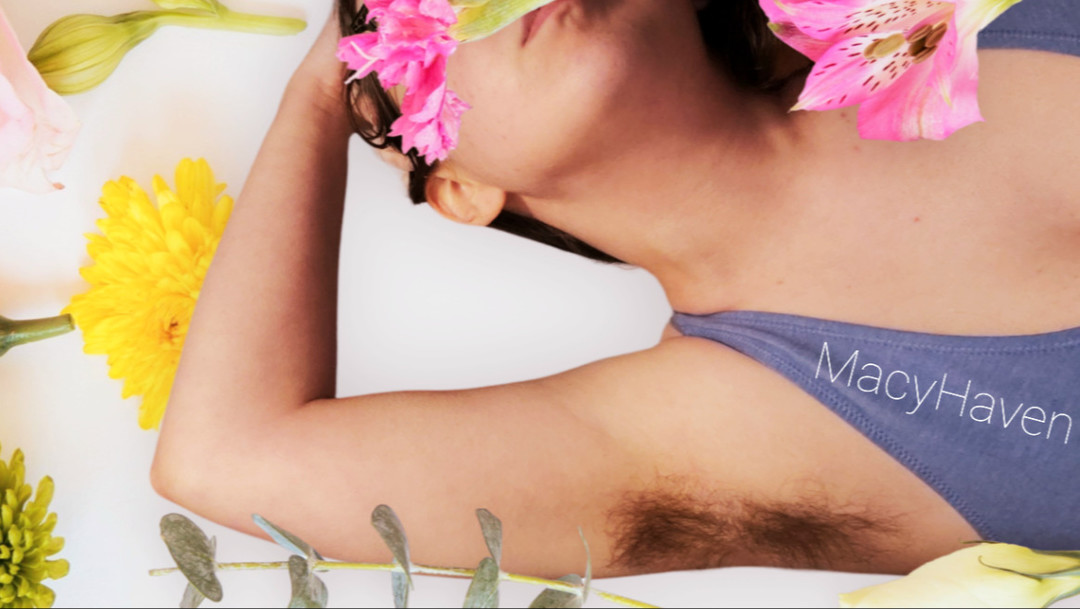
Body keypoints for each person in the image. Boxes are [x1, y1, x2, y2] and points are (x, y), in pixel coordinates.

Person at [151, 0, 1080, 578]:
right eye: (412, 19)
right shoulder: (713, 430)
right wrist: (322, 82)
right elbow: (226, 456)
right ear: (459, 188)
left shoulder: (969, 14)